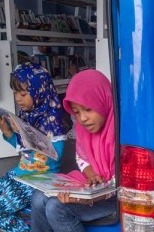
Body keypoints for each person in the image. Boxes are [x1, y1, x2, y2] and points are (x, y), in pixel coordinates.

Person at [0, 62, 66, 231]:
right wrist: (6, 130)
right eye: (15, 93)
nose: (17, 99)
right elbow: (22, 148)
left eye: (23, 94)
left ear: (40, 91)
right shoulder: (28, 115)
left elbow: (55, 156)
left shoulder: (53, 122)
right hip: (20, 174)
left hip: (39, 179)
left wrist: (27, 134)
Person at [31, 69, 116, 232]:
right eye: (76, 112)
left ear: (104, 100)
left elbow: (123, 181)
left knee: (56, 208)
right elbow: (82, 158)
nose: (83, 118)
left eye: (88, 109)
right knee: (38, 197)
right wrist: (92, 176)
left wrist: (88, 199)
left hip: (114, 196)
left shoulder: (122, 133)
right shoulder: (83, 129)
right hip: (94, 186)